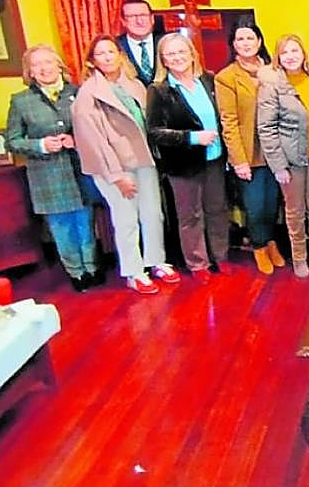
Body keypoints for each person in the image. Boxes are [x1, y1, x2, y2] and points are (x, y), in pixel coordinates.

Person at [72, 34, 179, 295]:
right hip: (115, 167)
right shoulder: (88, 94)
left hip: (144, 160)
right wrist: (116, 175)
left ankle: (156, 260)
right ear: (92, 61)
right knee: (126, 219)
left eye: (111, 52)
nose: (108, 58)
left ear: (120, 55)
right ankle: (133, 271)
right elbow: (92, 141)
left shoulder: (134, 86)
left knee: (153, 213)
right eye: (101, 54)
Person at [6, 44, 98, 292]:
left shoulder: (78, 93)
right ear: (30, 72)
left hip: (80, 171)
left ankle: (92, 267)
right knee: (62, 227)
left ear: (59, 65)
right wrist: (41, 145)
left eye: (48, 62)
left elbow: (95, 129)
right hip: (47, 176)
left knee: (85, 223)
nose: (44, 69)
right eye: (36, 65)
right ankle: (76, 273)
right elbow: (12, 141)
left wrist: (76, 141)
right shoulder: (21, 101)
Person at [146, 33, 230, 286]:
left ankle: (221, 256)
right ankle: (197, 262)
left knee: (217, 210)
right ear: (164, 61)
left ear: (192, 53)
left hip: (214, 159)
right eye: (170, 54)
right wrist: (193, 138)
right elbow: (155, 131)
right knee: (190, 216)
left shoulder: (209, 80)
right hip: (182, 164)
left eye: (181, 52)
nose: (177, 58)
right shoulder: (159, 91)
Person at [257, 34, 309, 279]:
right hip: (291, 161)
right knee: (295, 211)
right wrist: (278, 165)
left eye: (295, 51)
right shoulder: (272, 85)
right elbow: (266, 128)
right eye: (285, 53)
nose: (291, 56)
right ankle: (299, 257)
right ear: (278, 57)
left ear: (303, 54)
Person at [215, 21, 285, 275]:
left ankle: (271, 242)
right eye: (240, 39)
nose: (246, 43)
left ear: (259, 41)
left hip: (274, 151)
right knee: (255, 206)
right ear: (233, 44)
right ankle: (258, 246)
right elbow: (229, 122)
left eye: (250, 38)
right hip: (249, 152)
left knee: (272, 203)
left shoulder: (273, 71)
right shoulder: (226, 77)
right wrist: (239, 160)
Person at [117, 0, 159, 84]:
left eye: (143, 15)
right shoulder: (115, 46)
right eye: (132, 16)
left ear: (152, 18)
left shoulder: (167, 42)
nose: (139, 21)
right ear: (123, 21)